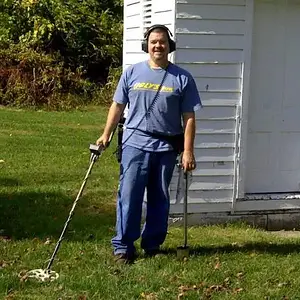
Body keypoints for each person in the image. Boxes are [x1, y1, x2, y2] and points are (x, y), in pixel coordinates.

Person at [96, 24, 201, 264]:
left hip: (165, 149)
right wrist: (105, 135)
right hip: (134, 144)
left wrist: (187, 151)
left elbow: (189, 118)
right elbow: (117, 106)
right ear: (147, 46)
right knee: (129, 196)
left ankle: (152, 243)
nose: (158, 46)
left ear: (169, 46)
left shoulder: (183, 78)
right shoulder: (132, 73)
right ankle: (123, 247)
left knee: (159, 198)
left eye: (162, 42)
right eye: (153, 42)